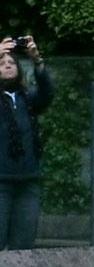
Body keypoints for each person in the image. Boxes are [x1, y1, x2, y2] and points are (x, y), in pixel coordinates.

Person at [0, 35, 54, 250]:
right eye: (2, 63)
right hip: (1, 183)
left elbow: (47, 94)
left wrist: (37, 60)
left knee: (23, 245)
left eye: (11, 62)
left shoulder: (27, 98)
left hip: (28, 181)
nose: (7, 65)